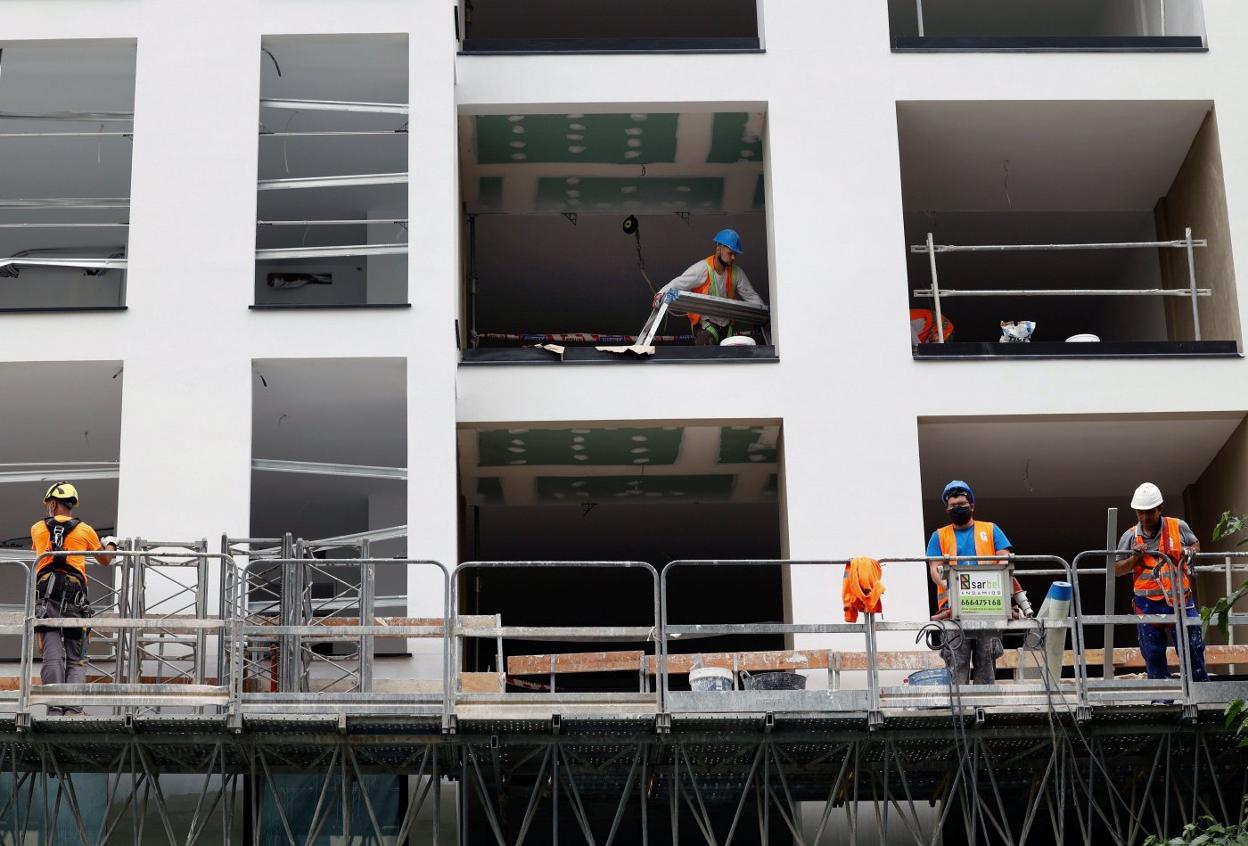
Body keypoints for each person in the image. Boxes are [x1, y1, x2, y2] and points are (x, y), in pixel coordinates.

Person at [30, 482, 114, 716]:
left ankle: (55, 707)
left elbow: (39, 551)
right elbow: (105, 559)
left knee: (52, 654)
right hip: (74, 598)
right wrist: (112, 543)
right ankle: (73, 709)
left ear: (53, 503)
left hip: (47, 598)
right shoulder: (85, 530)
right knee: (76, 657)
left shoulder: (37, 528)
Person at [1114, 482, 1208, 682]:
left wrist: (1190, 551)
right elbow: (1117, 570)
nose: (1145, 517)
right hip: (1148, 605)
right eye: (1140, 513)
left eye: (1149, 512)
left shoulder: (1178, 526)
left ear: (1160, 509)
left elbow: (1194, 543)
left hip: (1180, 601)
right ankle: (1162, 700)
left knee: (1192, 648)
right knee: (1153, 652)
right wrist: (1134, 558)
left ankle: (1200, 695)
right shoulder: (1130, 536)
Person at [925, 480, 1013, 685]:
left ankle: (984, 708)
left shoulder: (991, 530)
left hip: (988, 608)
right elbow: (935, 569)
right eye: (953, 506)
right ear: (947, 508)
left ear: (972, 505)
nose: (957, 509)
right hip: (952, 610)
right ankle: (961, 714)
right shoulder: (939, 536)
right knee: (957, 664)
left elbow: (1004, 559)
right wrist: (953, 589)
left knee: (985, 663)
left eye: (962, 505)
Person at [653, 229, 766, 346]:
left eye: (735, 254)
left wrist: (761, 317)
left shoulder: (737, 273)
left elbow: (751, 296)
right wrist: (661, 294)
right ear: (718, 249)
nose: (733, 258)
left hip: (727, 327)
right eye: (730, 253)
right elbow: (680, 282)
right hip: (706, 325)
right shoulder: (702, 269)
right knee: (706, 347)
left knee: (731, 359)